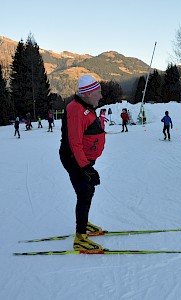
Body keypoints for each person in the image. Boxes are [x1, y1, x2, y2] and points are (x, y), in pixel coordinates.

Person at [59, 74, 105, 251]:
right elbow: (74, 142)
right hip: (75, 159)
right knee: (84, 193)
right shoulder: (76, 110)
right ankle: (80, 238)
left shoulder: (85, 105)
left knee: (88, 190)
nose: (101, 96)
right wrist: (85, 167)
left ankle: (84, 224)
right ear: (87, 94)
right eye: (98, 93)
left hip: (82, 159)